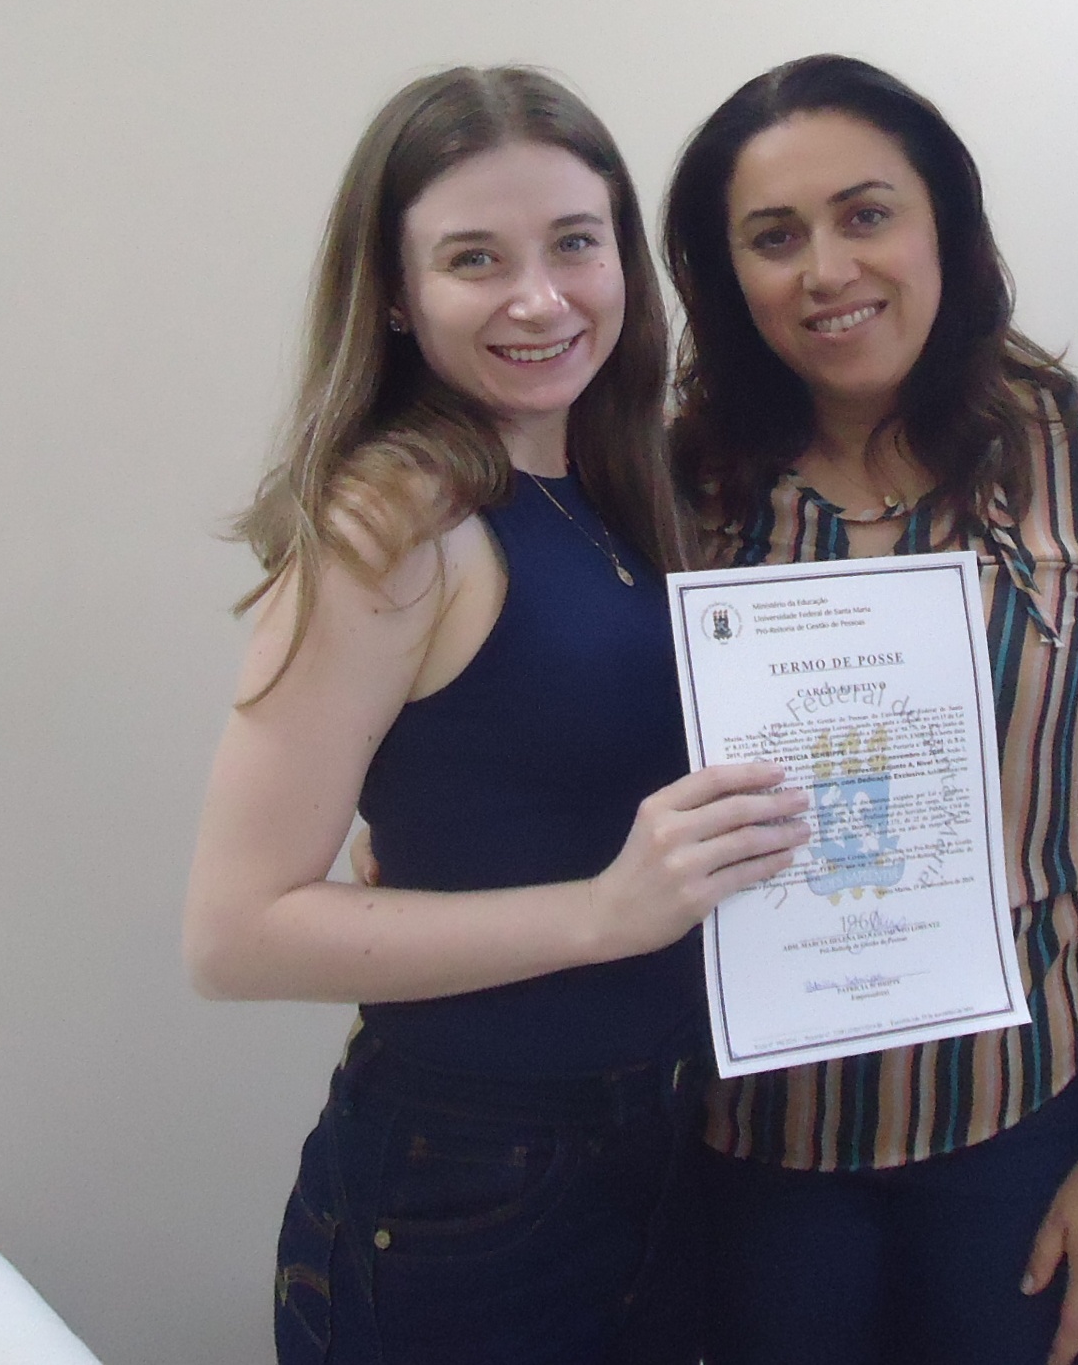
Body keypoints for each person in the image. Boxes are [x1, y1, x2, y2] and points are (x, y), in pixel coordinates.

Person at [662, 55, 1078, 1365]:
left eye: (866, 214)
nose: (826, 269)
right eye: (773, 238)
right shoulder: (674, 489)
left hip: (1031, 1127)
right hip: (747, 1150)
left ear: (944, 225)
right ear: (726, 278)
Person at [182, 66, 810, 1365]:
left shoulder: (621, 489)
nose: (540, 298)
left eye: (575, 243)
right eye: (476, 258)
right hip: (470, 1181)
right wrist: (603, 912)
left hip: (658, 1147)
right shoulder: (393, 519)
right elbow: (235, 935)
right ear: (396, 294)